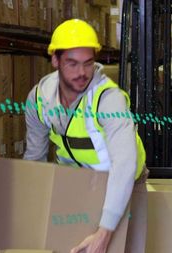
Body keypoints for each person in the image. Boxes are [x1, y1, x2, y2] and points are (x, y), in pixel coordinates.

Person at [23, 19, 148, 253]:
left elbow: (124, 165)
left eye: (88, 63)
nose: (82, 73)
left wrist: (105, 231)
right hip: (78, 179)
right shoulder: (39, 98)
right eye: (72, 63)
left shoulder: (108, 99)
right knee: (71, 247)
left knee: (121, 248)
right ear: (55, 60)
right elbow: (35, 159)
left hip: (126, 180)